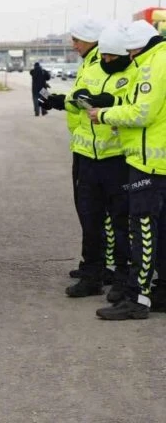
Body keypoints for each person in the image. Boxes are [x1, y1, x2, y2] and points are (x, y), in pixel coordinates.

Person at [88, 20, 166, 320]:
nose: (129, 57)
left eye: (131, 52)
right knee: (161, 231)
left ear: (138, 46)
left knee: (143, 230)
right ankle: (160, 292)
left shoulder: (152, 64)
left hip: (147, 161)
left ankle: (137, 299)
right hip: (158, 161)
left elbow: (142, 112)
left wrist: (104, 114)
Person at [55, 22, 133, 301]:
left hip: (117, 159)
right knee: (90, 219)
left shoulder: (132, 72)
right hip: (88, 157)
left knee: (121, 223)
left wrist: (109, 102)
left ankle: (124, 279)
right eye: (105, 56)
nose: (107, 61)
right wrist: (73, 99)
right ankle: (92, 275)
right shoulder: (92, 67)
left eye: (112, 57)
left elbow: (135, 105)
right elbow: (78, 96)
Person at [38, 16, 106, 281]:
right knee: (88, 210)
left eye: (77, 39)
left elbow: (90, 100)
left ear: (91, 39)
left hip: (99, 149)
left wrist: (64, 101)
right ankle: (95, 264)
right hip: (85, 146)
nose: (73, 44)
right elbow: (80, 98)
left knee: (94, 212)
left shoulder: (100, 63)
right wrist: (58, 101)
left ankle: (98, 268)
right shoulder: (90, 62)